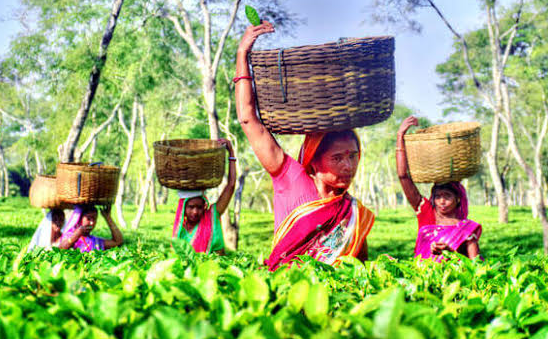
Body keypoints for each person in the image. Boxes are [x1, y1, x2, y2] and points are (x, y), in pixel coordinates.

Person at [235, 21, 375, 271]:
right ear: (313, 159)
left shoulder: (352, 213)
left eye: (353, 156)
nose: (349, 166)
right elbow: (248, 118)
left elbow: (359, 268)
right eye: (337, 158)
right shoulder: (290, 176)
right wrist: (242, 54)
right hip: (288, 297)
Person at [396, 116, 481, 261]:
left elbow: (477, 267)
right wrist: (400, 136)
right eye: (438, 196)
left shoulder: (466, 229)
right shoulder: (426, 213)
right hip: (423, 279)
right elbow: (403, 176)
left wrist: (451, 254)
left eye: (447, 196)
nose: (441, 201)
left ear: (458, 199)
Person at [171, 138, 237, 254]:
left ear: (204, 206)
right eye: (191, 207)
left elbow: (231, 185)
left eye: (199, 207)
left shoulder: (212, 215)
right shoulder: (179, 230)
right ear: (183, 207)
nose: (195, 212)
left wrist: (231, 153)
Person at [59, 204, 123, 252]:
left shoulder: (95, 241)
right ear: (79, 219)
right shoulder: (69, 236)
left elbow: (118, 242)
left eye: (94, 219)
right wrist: (77, 234)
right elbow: (61, 248)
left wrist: (108, 218)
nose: (92, 223)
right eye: (88, 219)